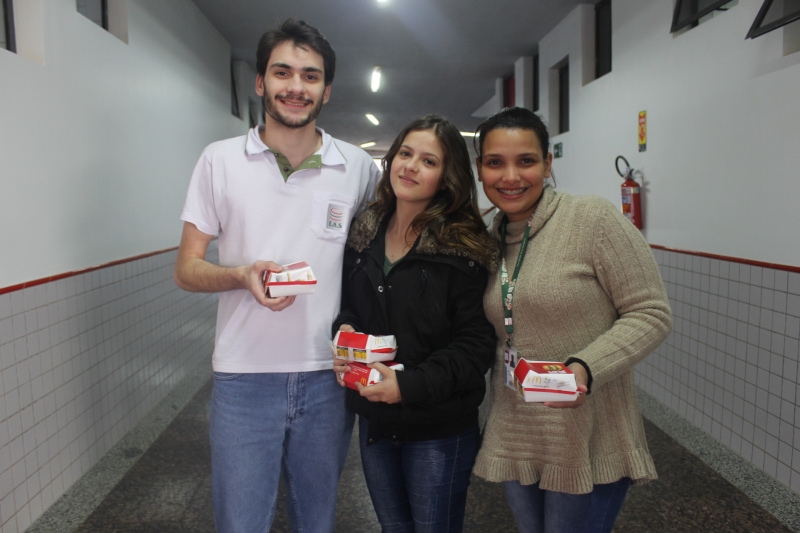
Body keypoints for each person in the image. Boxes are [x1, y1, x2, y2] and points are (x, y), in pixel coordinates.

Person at [173, 19, 380, 533]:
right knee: (241, 522)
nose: (296, 86)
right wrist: (242, 275)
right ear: (260, 82)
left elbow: (377, 260)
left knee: (317, 520)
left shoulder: (357, 168)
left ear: (326, 90)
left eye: (311, 76)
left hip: (328, 374)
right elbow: (187, 269)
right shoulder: (220, 160)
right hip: (243, 376)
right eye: (283, 72)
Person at [471, 107, 673, 533]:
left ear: (547, 164)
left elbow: (651, 312)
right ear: (480, 168)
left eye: (526, 160)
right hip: (517, 429)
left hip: (586, 431)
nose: (511, 176)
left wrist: (584, 367)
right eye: (495, 162)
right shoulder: (488, 239)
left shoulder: (592, 219)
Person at [332, 115, 497, 532]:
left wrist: (407, 386)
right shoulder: (364, 233)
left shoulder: (464, 247)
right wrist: (345, 333)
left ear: (447, 178)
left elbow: (475, 344)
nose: (410, 166)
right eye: (405, 154)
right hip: (375, 421)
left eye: (428, 161)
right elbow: (349, 306)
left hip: (438, 428)